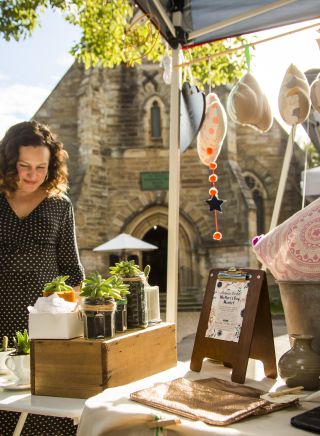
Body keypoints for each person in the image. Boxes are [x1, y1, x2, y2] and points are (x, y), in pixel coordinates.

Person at [0, 120, 85, 435]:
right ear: (10, 163)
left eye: (41, 167)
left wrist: (65, 329)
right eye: (24, 166)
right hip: (0, 330)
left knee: (46, 416)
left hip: (45, 332)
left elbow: (72, 272)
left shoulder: (59, 206)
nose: (33, 175)